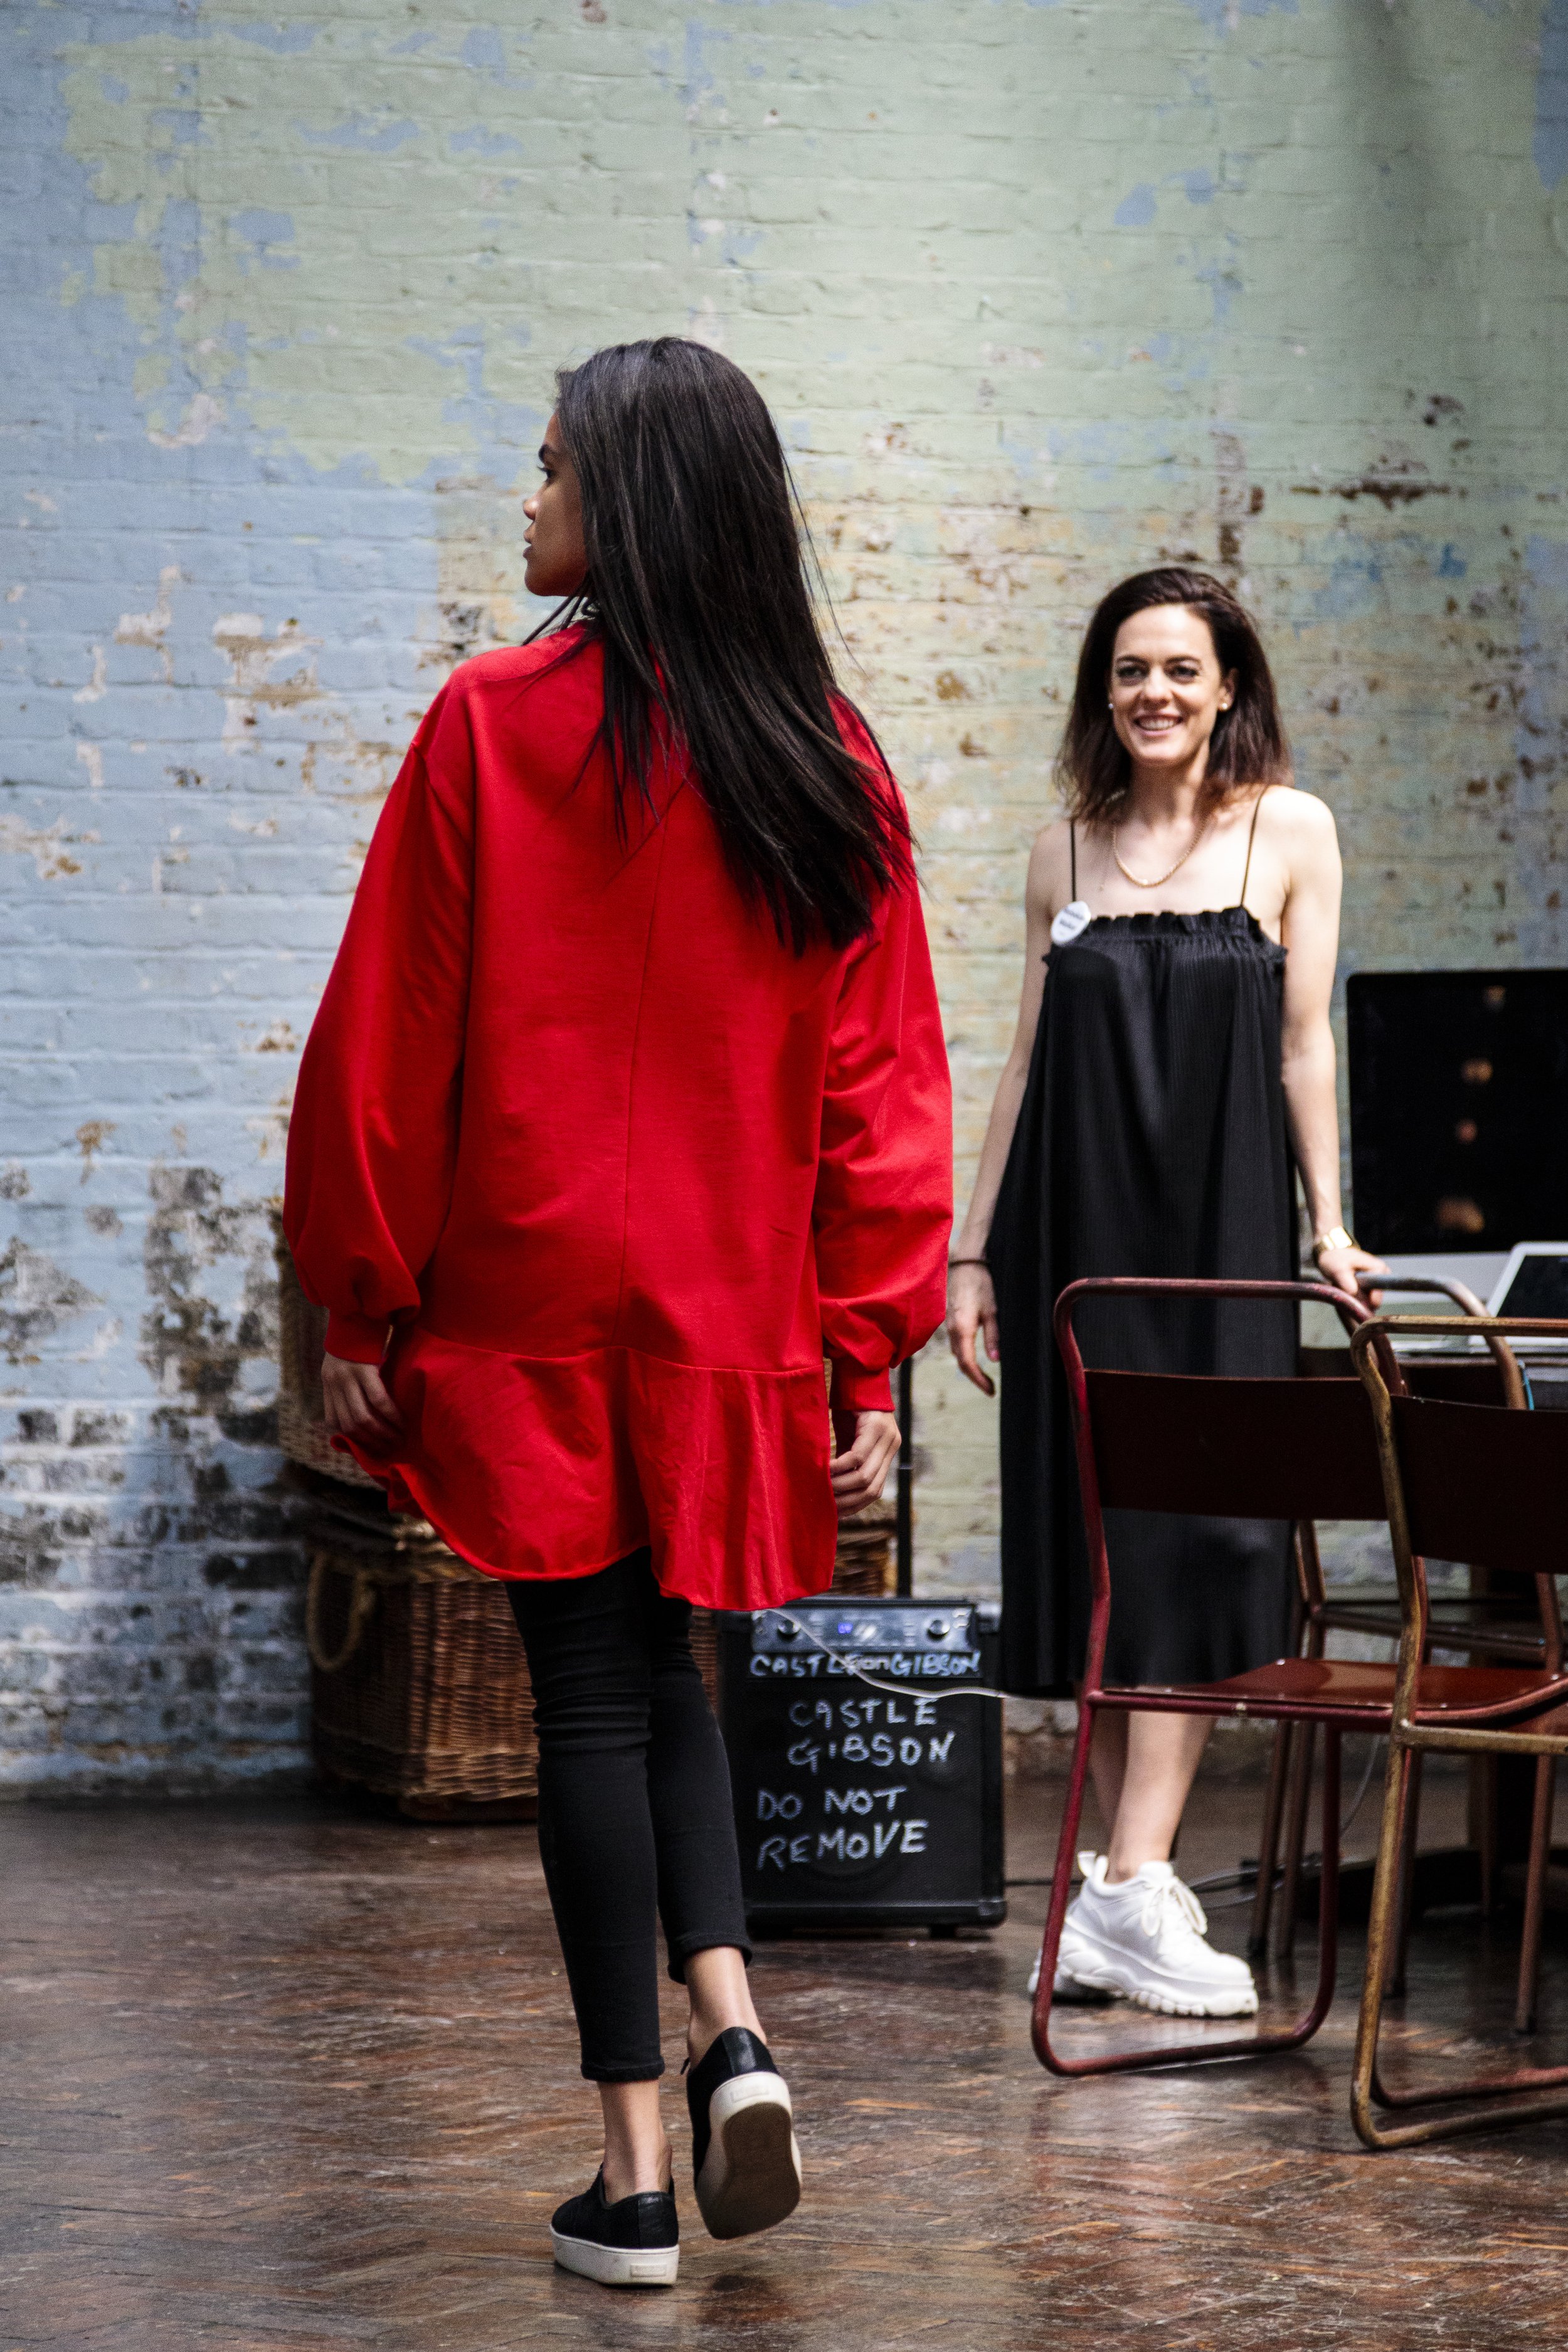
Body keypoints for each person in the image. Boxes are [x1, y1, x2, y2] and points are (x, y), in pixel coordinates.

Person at [284, 339, 951, 2288]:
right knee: (675, 1682)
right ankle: (733, 2025)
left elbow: (386, 1042)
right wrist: (865, 1336)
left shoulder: (491, 724)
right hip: (730, 1305)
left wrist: (358, 1288)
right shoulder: (826, 754)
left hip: (530, 1297)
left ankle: (634, 2175)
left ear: (631, 498)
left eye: (550, 464)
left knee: (589, 1695)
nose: (526, 499)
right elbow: (880, 1082)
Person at [945, 566, 1384, 2020]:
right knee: (1105, 1547)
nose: (1152, 693)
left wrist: (1328, 1226)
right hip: (1078, 1234)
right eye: (1128, 670)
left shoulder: (1288, 832)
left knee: (1205, 1542)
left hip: (1223, 1227)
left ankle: (1122, 1887)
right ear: (1101, 691)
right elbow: (1017, 1065)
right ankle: (1123, 1890)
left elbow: (1304, 1044)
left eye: (1179, 671)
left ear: (1226, 688)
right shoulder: (1057, 854)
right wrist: (967, 1252)